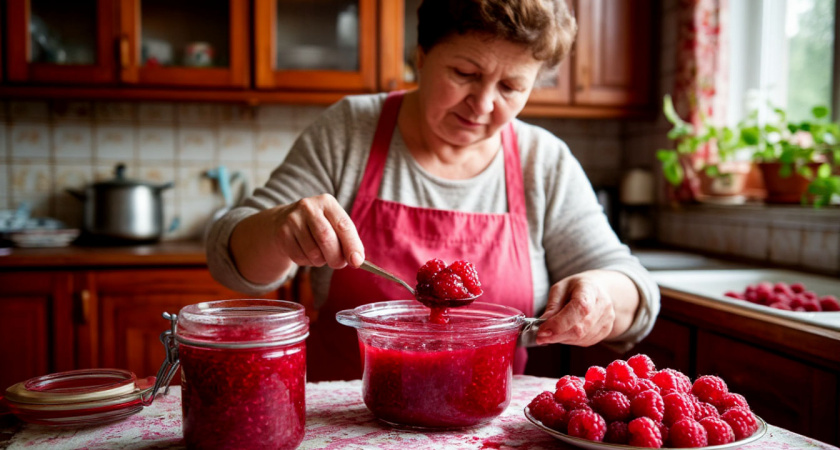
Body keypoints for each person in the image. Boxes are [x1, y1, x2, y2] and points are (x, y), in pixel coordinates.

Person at [207, 0, 660, 381]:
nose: (483, 105)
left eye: (510, 86)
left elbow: (636, 293)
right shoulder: (350, 130)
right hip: (349, 419)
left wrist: (602, 293)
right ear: (421, 56)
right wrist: (278, 230)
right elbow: (229, 260)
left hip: (486, 423)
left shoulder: (543, 160)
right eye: (464, 73)